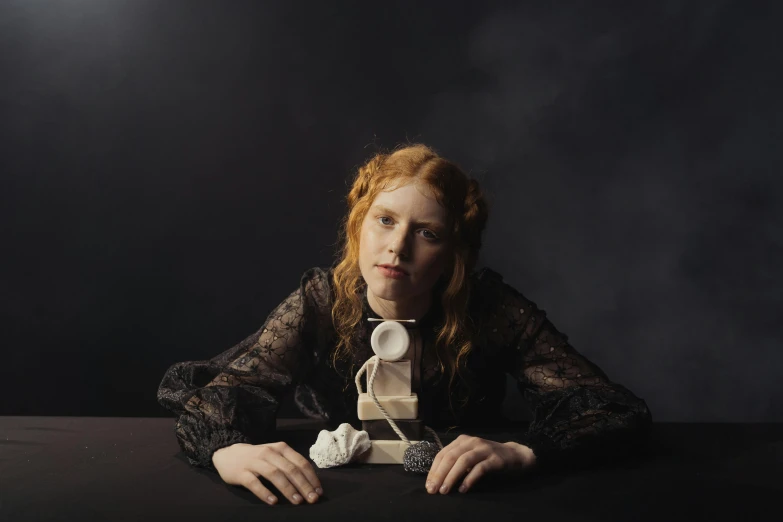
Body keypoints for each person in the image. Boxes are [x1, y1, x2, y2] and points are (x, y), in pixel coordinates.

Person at [157, 143, 653, 506]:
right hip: (339, 498)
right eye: (386, 220)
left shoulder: (491, 308)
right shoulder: (321, 300)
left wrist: (524, 452)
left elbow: (612, 409)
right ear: (358, 226)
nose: (398, 247)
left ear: (454, 255)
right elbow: (230, 392)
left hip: (465, 500)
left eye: (428, 232)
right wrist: (228, 452)